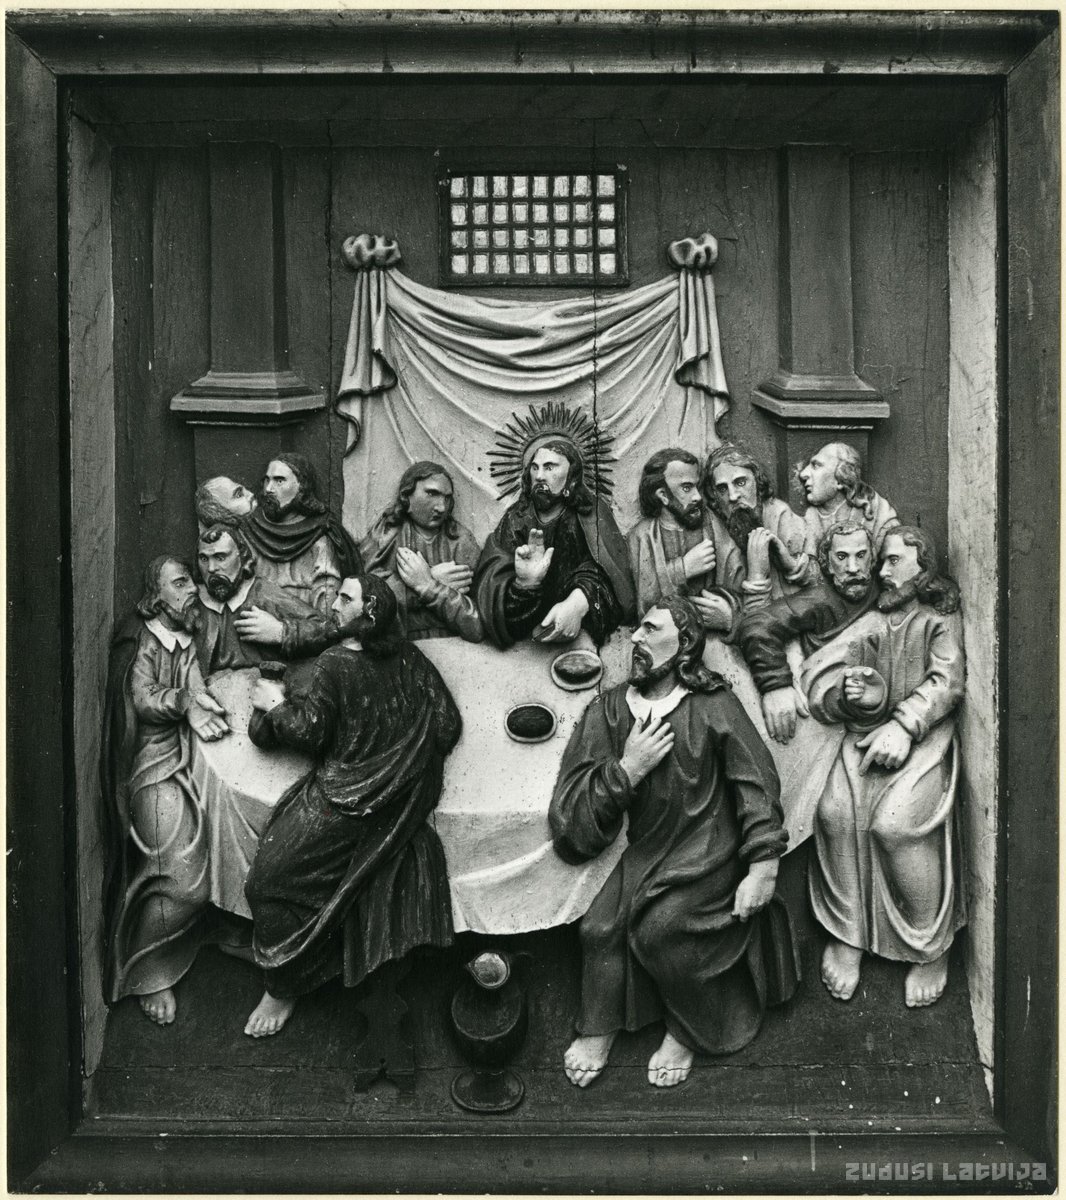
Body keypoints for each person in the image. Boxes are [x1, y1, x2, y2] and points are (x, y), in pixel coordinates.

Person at [549, 594, 798, 1088]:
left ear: (683, 643)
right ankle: (601, 1026)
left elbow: (756, 781)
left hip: (712, 849)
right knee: (599, 928)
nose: (636, 639)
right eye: (638, 629)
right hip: (651, 850)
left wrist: (763, 864)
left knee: (664, 932)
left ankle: (692, 1028)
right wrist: (626, 771)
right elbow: (570, 810)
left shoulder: (712, 704)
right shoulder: (611, 708)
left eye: (650, 630)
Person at [241, 572, 462, 1037]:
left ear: (370, 612)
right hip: (399, 804)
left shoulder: (334, 663)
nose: (335, 604)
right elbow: (446, 726)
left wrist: (276, 704)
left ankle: (284, 984)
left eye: (345, 599)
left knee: (266, 882)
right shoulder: (411, 659)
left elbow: (311, 734)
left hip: (346, 801)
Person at [802, 527, 965, 1008]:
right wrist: (853, 693)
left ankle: (929, 944)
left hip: (925, 742)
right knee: (834, 813)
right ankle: (848, 932)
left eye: (893, 561)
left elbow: (947, 683)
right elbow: (822, 676)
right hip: (867, 737)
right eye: (884, 562)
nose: (882, 571)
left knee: (896, 825)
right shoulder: (876, 619)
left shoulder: (937, 621)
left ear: (922, 568)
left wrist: (905, 724)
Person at [103, 556, 231, 1026]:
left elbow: (194, 684)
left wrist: (204, 701)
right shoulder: (144, 641)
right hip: (152, 766)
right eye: (180, 583)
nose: (192, 588)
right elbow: (142, 698)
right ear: (157, 598)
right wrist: (184, 702)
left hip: (189, 756)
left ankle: (214, 932)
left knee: (229, 833)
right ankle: (148, 971)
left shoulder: (185, 636)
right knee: (179, 874)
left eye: (191, 580)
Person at [474, 437, 635, 647]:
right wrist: (525, 584)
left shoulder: (591, 513)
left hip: (581, 637)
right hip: (528, 638)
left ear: (571, 475)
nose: (540, 476)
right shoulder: (516, 518)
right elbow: (492, 577)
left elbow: (611, 573)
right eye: (535, 468)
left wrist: (579, 602)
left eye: (549, 467)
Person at [737, 523, 880, 744]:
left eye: (861, 555)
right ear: (828, 564)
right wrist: (776, 685)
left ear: (873, 558)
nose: (853, 568)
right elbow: (757, 625)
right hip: (824, 711)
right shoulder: (820, 600)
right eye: (841, 557)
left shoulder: (884, 584)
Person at [359, 461, 483, 642]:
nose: (441, 507)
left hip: (452, 645)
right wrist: (427, 583)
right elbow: (367, 602)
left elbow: (476, 626)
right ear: (406, 496)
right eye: (432, 494)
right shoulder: (384, 537)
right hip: (400, 647)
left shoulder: (462, 542)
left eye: (447, 498)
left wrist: (429, 586)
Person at [193, 523, 336, 675]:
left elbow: (327, 631)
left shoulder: (264, 594)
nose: (211, 568)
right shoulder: (193, 603)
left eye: (220, 557)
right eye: (204, 559)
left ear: (241, 557)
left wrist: (281, 632)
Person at [625, 447, 741, 633]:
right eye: (687, 488)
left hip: (712, 636)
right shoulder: (642, 536)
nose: (697, 497)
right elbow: (644, 605)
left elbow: (737, 576)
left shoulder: (713, 525)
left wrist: (729, 614)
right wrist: (682, 569)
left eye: (697, 486)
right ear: (663, 495)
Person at [240, 452, 363, 615]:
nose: (268, 489)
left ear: (301, 486)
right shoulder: (249, 530)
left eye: (279, 481)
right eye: (267, 480)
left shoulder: (320, 536)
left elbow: (327, 610)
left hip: (306, 623)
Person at [703, 443, 817, 613]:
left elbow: (816, 587)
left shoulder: (782, 517)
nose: (733, 496)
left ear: (757, 481)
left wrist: (792, 565)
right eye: (722, 489)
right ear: (714, 496)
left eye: (740, 482)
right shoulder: (712, 530)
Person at [797, 441, 900, 551]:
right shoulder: (809, 519)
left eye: (816, 465)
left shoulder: (879, 517)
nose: (803, 474)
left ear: (841, 479)